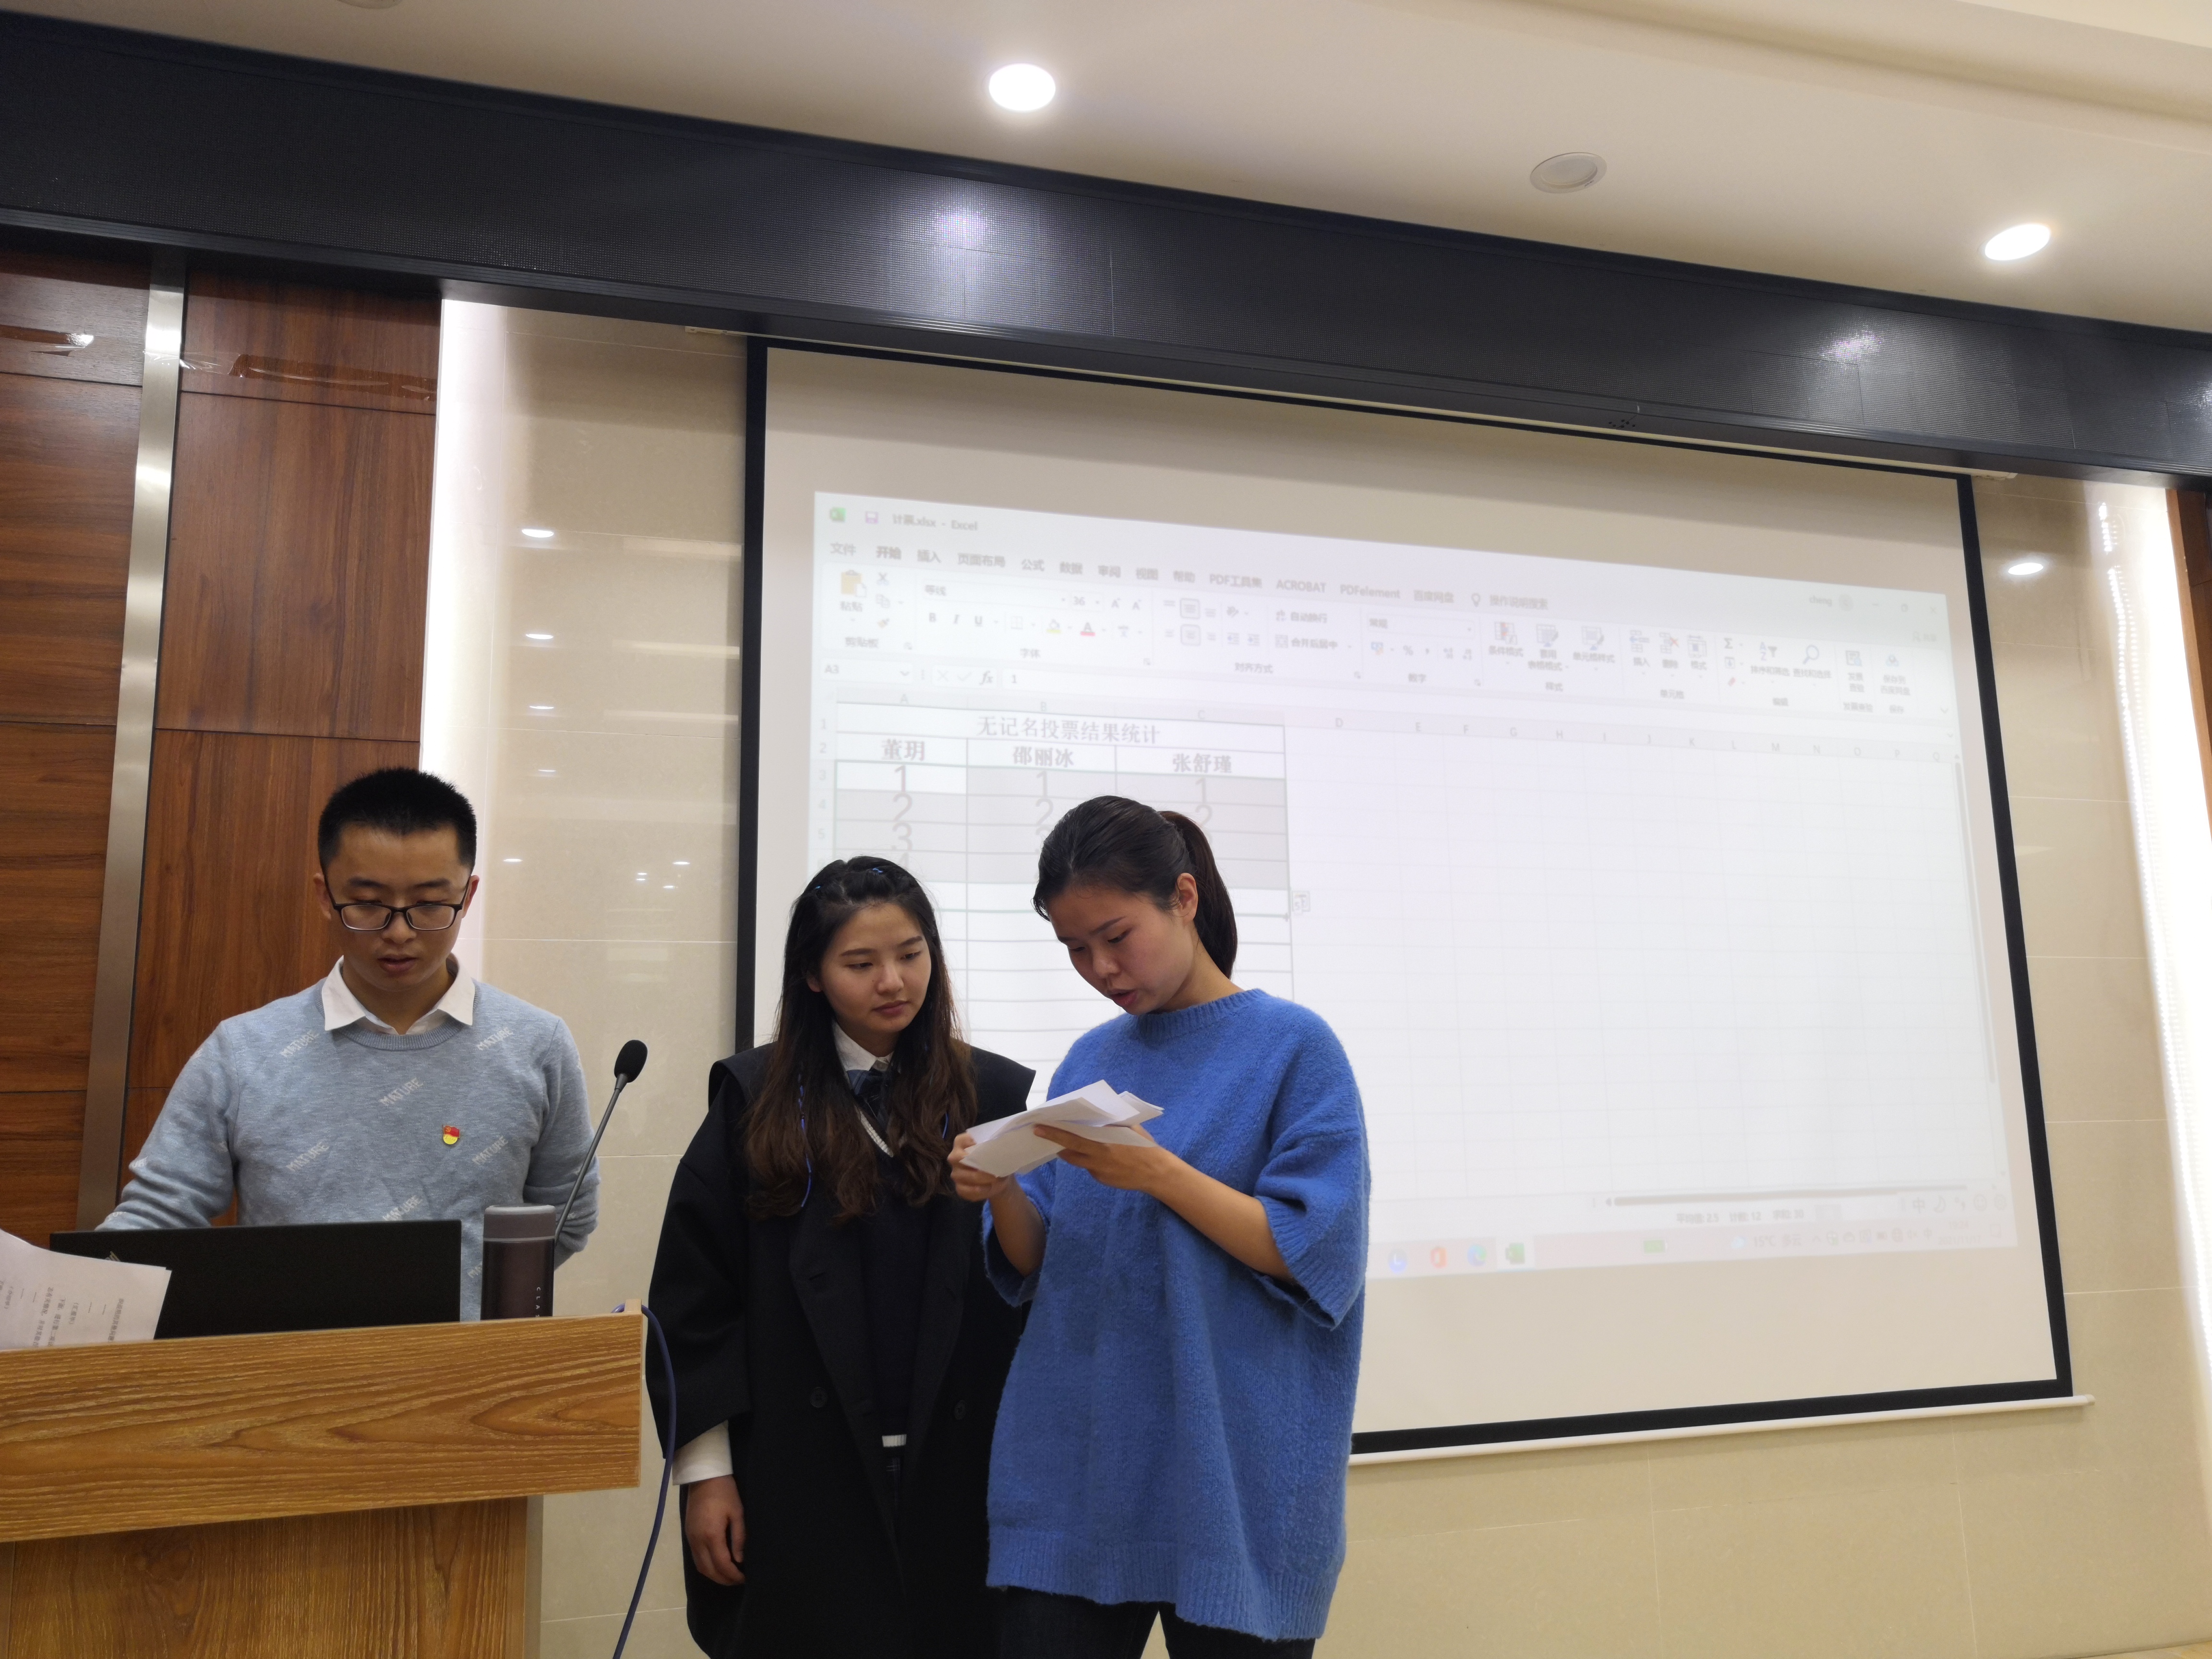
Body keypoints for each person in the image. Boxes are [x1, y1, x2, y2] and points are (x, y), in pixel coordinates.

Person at [950, 797, 1369, 1659]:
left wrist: (1157, 1172)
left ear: (1183, 898)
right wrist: (1000, 1188)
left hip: (1233, 1478)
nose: (1100, 967)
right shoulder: (1089, 1060)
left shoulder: (1294, 1047)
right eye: (1075, 948)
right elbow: (1037, 1259)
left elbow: (1312, 1254)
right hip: (1076, 1472)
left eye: (1115, 936)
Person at [647, 858, 1034, 1659]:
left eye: (911, 954)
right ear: (812, 975)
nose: (893, 982)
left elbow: (1029, 1282)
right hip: (799, 1471)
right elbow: (695, 1301)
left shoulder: (991, 1094)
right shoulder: (754, 1100)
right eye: (861, 963)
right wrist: (706, 1474)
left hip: (962, 1472)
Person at [101, 767, 598, 1314]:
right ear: (325, 894)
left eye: (431, 904)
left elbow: (567, 1216)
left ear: (468, 894)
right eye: (368, 903)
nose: (400, 932)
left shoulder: (536, 1044)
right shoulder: (245, 1051)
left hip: (469, 1360)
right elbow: (157, 1220)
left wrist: (469, 1302)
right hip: (292, 1360)